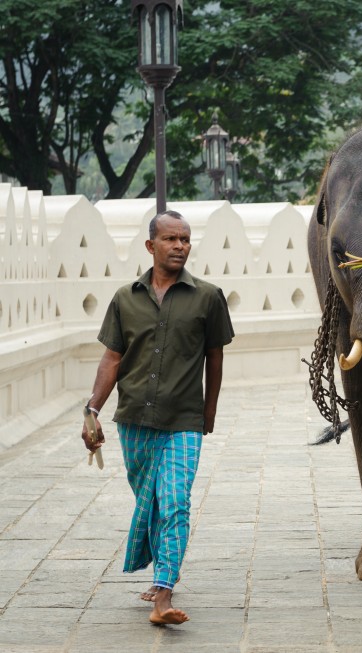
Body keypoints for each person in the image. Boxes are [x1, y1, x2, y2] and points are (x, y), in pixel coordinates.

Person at [81, 210, 235, 625]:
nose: (180, 246)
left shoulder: (208, 296)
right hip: (132, 420)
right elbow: (112, 359)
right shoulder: (124, 298)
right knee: (149, 502)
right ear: (151, 246)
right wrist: (92, 410)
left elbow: (215, 357)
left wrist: (209, 411)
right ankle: (160, 573)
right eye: (170, 239)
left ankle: (163, 593)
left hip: (183, 421)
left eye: (185, 239)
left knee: (174, 503)